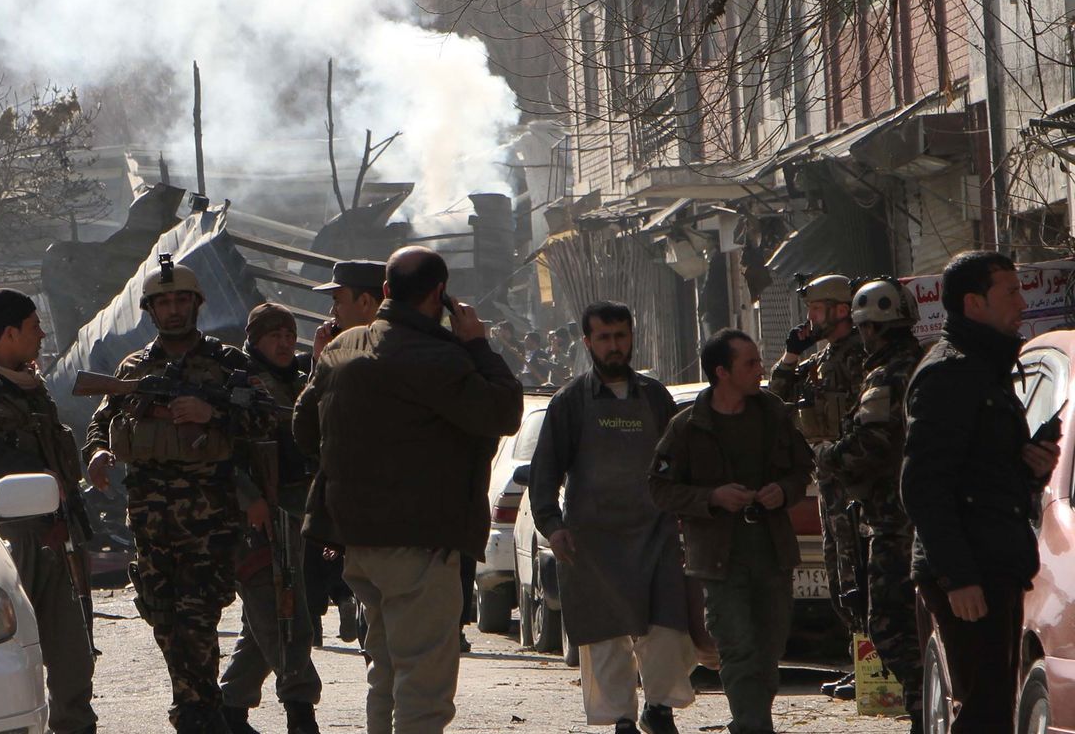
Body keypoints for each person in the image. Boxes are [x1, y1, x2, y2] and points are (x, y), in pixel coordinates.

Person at [296, 246, 524, 733]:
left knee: (385, 671)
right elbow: (504, 413)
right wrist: (478, 345)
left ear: (384, 291)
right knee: (423, 686)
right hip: (420, 543)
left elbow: (303, 431)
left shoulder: (341, 349)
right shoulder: (440, 357)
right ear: (440, 295)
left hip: (357, 542)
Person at [85, 260, 278, 734]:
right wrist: (98, 453)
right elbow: (101, 421)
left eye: (181, 300)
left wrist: (212, 413)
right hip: (150, 524)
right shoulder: (134, 368)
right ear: (151, 310)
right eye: (163, 302)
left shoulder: (229, 364)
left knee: (197, 621)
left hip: (209, 523)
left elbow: (265, 418)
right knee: (165, 620)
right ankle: (201, 709)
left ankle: (195, 717)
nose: (173, 310)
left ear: (196, 304)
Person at [902, 251, 1059, 732]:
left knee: (992, 707)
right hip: (970, 569)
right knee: (984, 712)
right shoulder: (948, 373)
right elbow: (923, 484)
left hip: (996, 560)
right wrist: (958, 576)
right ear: (974, 303)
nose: (1022, 303)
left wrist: (1031, 470)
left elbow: (984, 472)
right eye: (1010, 292)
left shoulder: (987, 366)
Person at [528, 301, 693, 734]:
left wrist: (688, 514)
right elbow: (544, 475)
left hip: (655, 533)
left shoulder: (655, 397)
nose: (614, 345)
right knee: (604, 635)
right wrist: (553, 528)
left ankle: (659, 708)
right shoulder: (569, 402)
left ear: (631, 337)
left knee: (665, 628)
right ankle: (620, 718)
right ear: (588, 342)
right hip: (592, 541)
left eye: (621, 336)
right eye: (604, 337)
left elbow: (681, 463)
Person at [0, 289, 96, 734]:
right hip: (9, 546)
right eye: (33, 327)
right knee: (6, 661)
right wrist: (35, 478)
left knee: (73, 659)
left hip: (56, 540)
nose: (42, 335)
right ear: (9, 334)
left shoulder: (30, 388)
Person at [651, 329, 813, 734]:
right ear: (722, 372)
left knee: (768, 648)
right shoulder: (687, 427)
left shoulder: (773, 413)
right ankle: (753, 726)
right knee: (737, 645)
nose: (760, 369)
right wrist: (712, 497)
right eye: (750, 363)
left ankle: (751, 721)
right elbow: (659, 488)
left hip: (771, 550)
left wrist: (784, 491)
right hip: (719, 557)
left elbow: (802, 468)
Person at [817, 277, 928, 729]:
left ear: (872, 328)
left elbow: (872, 443)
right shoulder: (921, 363)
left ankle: (925, 708)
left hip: (894, 520)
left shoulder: (887, 375)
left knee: (886, 624)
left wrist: (828, 456)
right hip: (918, 514)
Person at [221, 303, 322, 734]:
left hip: (294, 516)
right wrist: (249, 498)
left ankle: (229, 708)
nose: (283, 344)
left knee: (264, 621)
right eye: (274, 336)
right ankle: (301, 710)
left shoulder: (298, 380)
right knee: (285, 617)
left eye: (289, 335)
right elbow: (222, 452)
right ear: (255, 340)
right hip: (254, 522)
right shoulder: (240, 384)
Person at [767, 272, 867, 696]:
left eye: (816, 309)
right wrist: (792, 354)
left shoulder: (862, 357)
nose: (810, 318)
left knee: (860, 571)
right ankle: (860, 663)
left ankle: (876, 667)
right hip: (829, 483)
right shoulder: (822, 360)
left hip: (858, 484)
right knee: (839, 572)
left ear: (842, 310)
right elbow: (777, 398)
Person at [297, 258, 385, 644]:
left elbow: (307, 428)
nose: (333, 311)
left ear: (366, 303)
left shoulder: (365, 360)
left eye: (339, 300)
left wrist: (323, 365)